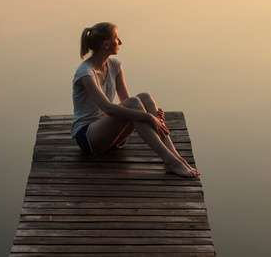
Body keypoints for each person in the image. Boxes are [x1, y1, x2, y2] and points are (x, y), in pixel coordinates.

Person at [71, 22, 199, 178]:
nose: (120, 42)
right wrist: (148, 116)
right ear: (106, 44)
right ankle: (169, 160)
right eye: (116, 38)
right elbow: (108, 108)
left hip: (112, 137)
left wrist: (152, 113)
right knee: (135, 104)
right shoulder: (86, 73)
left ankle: (175, 157)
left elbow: (127, 102)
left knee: (144, 97)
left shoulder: (114, 65)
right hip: (89, 137)